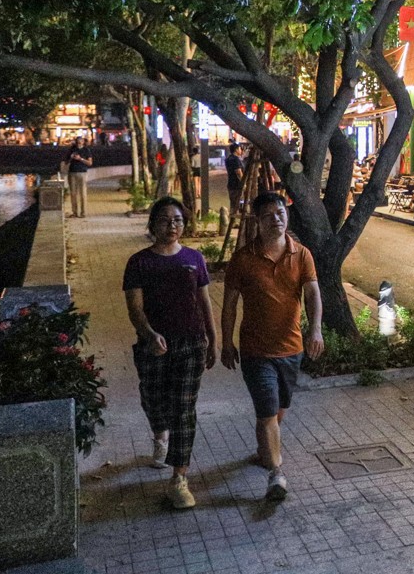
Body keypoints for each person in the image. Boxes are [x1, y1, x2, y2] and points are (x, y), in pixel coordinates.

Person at [222, 193, 324, 502]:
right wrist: (226, 342)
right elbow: (229, 305)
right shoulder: (243, 258)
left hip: (291, 349)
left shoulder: (302, 254)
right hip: (256, 351)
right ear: (257, 220)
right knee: (267, 413)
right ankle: (276, 475)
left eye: (280, 213)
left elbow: (313, 295)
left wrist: (315, 329)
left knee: (278, 412)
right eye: (268, 215)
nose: (276, 219)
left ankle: (264, 450)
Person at [123, 196, 218, 510]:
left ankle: (179, 478)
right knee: (153, 398)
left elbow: (205, 303)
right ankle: (159, 434)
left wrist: (214, 339)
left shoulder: (194, 258)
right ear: (153, 224)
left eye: (178, 219)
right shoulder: (139, 262)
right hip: (153, 345)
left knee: (184, 408)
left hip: (191, 344)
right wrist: (149, 334)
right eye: (165, 220)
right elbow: (135, 309)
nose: (172, 225)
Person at [65, 136, 93, 217]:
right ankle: (74, 212)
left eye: (80, 141)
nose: (79, 143)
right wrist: (70, 158)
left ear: (83, 142)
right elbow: (66, 161)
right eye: (77, 141)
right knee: (73, 194)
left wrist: (80, 159)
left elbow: (90, 163)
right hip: (72, 173)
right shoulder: (71, 149)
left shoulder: (86, 150)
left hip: (82, 173)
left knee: (83, 193)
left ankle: (83, 213)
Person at [225, 143, 245, 213]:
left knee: (233, 203)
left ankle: (232, 218)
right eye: (240, 148)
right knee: (239, 202)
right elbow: (238, 172)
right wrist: (243, 183)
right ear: (236, 150)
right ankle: (237, 217)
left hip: (231, 183)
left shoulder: (228, 159)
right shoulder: (235, 159)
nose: (241, 150)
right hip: (237, 184)